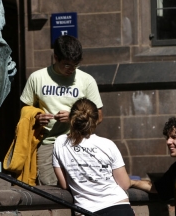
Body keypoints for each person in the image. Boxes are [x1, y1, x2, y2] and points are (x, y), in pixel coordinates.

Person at [20, 35, 103, 185]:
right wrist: (37, 117)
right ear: (56, 58)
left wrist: (73, 118)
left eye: (76, 65)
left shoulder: (86, 80)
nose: (72, 69)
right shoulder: (37, 78)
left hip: (78, 140)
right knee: (48, 184)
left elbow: (99, 116)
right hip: (47, 142)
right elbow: (24, 110)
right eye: (67, 65)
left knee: (82, 183)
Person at [53, 98, 134, 216]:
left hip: (86, 210)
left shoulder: (60, 143)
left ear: (71, 118)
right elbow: (124, 184)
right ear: (96, 120)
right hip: (119, 206)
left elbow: (64, 184)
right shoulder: (108, 144)